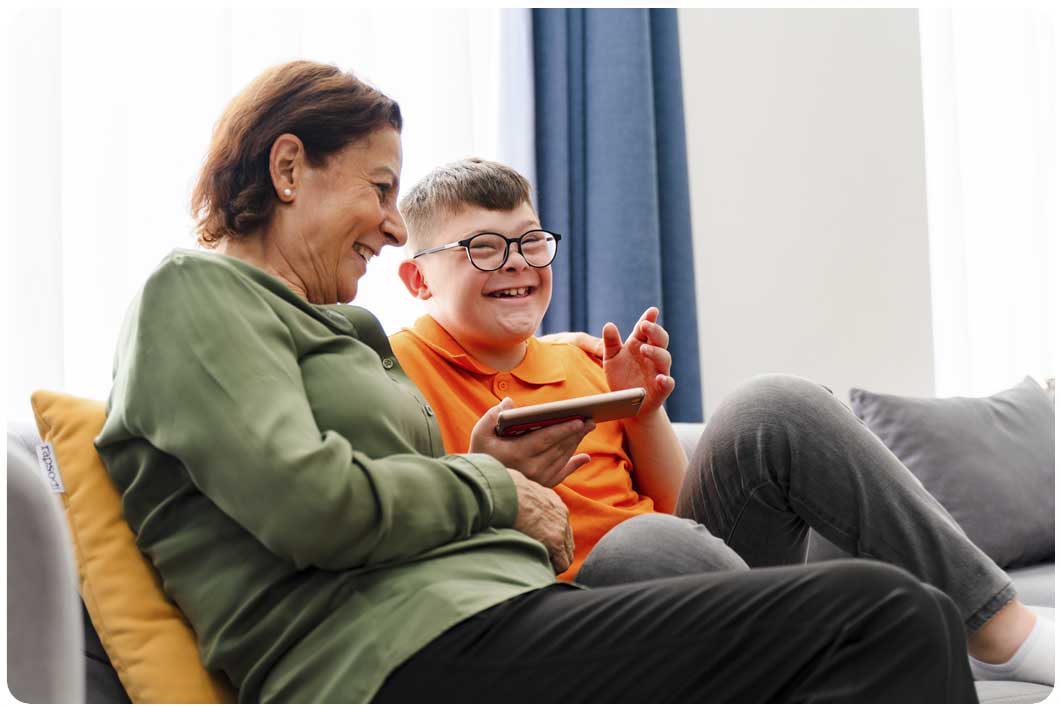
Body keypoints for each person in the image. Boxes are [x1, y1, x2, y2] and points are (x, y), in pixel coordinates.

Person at [95, 60, 978, 703]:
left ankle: (993, 617)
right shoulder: (196, 293)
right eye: (380, 188)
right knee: (887, 614)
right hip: (392, 655)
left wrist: (500, 475)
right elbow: (309, 502)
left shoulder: (342, 331)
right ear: (288, 168)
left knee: (898, 604)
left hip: (493, 611)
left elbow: (409, 499)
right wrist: (495, 488)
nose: (393, 227)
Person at [390, 157, 1054, 687]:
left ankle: (1001, 632)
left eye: (531, 242)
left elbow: (684, 511)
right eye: (483, 248)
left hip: (693, 579)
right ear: (418, 280)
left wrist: (643, 409)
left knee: (774, 403)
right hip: (570, 625)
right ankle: (816, 657)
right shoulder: (394, 374)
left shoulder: (588, 357)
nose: (517, 262)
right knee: (640, 542)